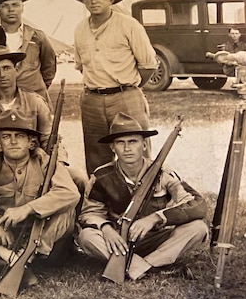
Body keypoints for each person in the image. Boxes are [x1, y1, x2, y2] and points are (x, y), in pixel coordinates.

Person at [76, 113, 208, 280]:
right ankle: (150, 269)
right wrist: (106, 228)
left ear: (144, 145)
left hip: (154, 239)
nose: (127, 148)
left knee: (198, 228)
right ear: (112, 147)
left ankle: (140, 266)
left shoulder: (162, 173)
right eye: (120, 143)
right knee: (86, 237)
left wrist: (155, 218)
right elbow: (88, 214)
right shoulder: (101, 176)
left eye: (133, 142)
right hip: (117, 241)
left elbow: (196, 204)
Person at [0, 113, 80, 285]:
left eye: (19, 136)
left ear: (31, 142)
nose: (13, 141)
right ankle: (10, 257)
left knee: (66, 210)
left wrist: (27, 209)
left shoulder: (46, 162)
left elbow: (70, 192)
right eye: (6, 136)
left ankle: (19, 258)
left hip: (43, 233)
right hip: (6, 232)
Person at [71, 0, 157, 174]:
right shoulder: (80, 29)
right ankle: (101, 201)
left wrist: (128, 89)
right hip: (92, 100)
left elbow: (148, 65)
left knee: (136, 154)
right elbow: (82, 66)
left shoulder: (129, 25)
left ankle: (142, 201)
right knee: (96, 157)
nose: (93, 1)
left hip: (125, 96)